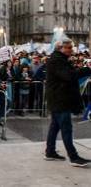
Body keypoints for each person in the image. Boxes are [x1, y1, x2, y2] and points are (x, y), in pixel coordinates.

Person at [45, 38, 91, 167]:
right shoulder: (56, 61)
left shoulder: (60, 59)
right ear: (61, 48)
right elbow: (68, 76)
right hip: (60, 99)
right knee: (66, 128)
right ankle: (73, 157)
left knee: (55, 126)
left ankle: (50, 151)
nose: (72, 50)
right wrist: (87, 69)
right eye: (69, 47)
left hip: (59, 98)